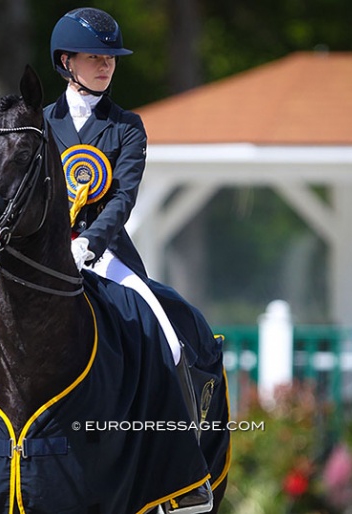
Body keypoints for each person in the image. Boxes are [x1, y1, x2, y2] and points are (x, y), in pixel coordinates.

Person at [44, 8, 222, 513]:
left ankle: (183, 466)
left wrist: (87, 243)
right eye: (95, 57)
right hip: (43, 257)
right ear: (66, 62)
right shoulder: (38, 126)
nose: (106, 66)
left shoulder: (126, 126)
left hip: (104, 254)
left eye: (110, 58)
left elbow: (122, 199)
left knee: (166, 334)